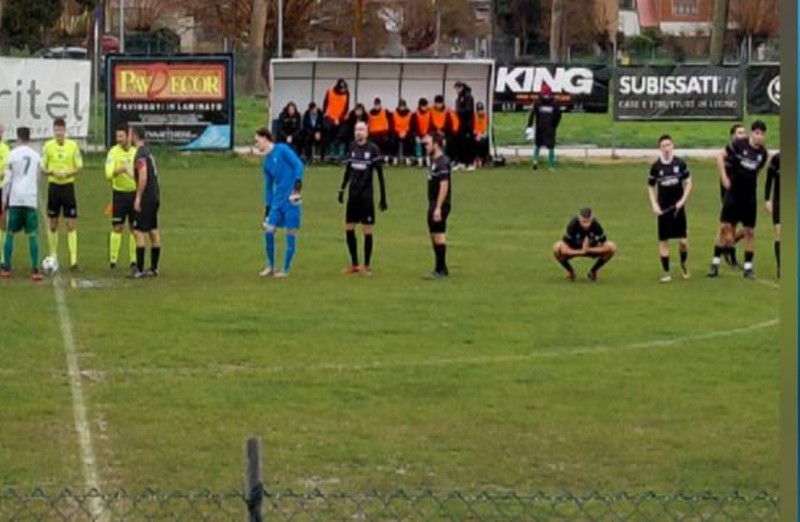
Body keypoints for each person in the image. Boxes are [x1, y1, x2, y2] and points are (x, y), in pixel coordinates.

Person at [707, 120, 769, 279]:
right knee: (724, 227)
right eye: (757, 133)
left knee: (749, 231)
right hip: (734, 193)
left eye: (762, 134)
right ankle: (715, 264)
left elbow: (757, 171)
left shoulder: (763, 154)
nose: (759, 137)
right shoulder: (739, 144)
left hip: (749, 196)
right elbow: (720, 156)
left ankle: (748, 267)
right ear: (752, 133)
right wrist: (724, 177)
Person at [338, 122, 388, 275]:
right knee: (349, 228)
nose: (358, 132)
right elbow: (348, 170)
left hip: (366, 197)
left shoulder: (373, 149)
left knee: (367, 230)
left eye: (361, 129)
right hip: (353, 196)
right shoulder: (352, 147)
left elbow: (380, 174)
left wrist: (383, 197)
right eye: (356, 129)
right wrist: (342, 189)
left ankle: (366, 265)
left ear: (367, 132)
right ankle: (354, 264)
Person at [254, 128, 304, 278]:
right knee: (269, 231)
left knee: (290, 233)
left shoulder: (282, 149)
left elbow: (298, 165)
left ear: (265, 138)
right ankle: (271, 266)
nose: (256, 144)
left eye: (257, 140)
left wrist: (297, 186)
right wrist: (267, 208)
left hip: (291, 199)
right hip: (277, 201)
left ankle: (285, 269)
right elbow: (268, 187)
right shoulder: (267, 163)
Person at [647, 134, 692, 283]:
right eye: (663, 146)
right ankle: (666, 272)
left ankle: (683, 263)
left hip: (678, 209)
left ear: (673, 146)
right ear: (659, 148)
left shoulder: (680, 163)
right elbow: (650, 186)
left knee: (683, 242)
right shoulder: (656, 167)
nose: (666, 148)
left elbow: (689, 183)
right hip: (663, 209)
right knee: (663, 240)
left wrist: (682, 201)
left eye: (668, 145)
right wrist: (654, 204)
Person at [1, 127, 43, 281]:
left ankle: (6, 268)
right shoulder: (36, 155)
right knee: (32, 234)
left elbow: (7, 180)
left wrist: (4, 199)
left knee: (10, 233)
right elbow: (39, 176)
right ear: (29, 138)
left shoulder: (12, 155)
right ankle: (35, 269)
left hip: (15, 198)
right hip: (30, 198)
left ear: (18, 138)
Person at [42, 117, 83, 270]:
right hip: (53, 187)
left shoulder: (73, 146)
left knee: (71, 223)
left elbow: (79, 166)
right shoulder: (48, 146)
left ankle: (73, 260)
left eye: (61, 130)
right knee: (53, 223)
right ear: (54, 131)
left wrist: (67, 173)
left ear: (65, 130)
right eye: (56, 130)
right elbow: (42, 167)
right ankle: (53, 256)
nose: (59, 133)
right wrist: (51, 171)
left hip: (67, 187)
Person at [128, 126, 162, 279]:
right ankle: (154, 268)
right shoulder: (148, 152)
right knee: (153, 230)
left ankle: (140, 270)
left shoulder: (140, 154)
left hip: (146, 197)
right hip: (154, 196)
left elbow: (143, 176)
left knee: (138, 231)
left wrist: (138, 197)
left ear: (134, 136)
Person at [105, 126, 138, 272]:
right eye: (117, 137)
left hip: (134, 194)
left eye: (121, 136)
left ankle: (134, 261)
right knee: (117, 227)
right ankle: (113, 261)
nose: (118, 140)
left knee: (134, 228)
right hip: (119, 194)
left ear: (128, 136)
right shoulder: (113, 152)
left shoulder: (136, 152)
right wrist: (121, 169)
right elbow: (108, 174)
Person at [552, 207, 616, 281]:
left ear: (592, 218)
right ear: (579, 218)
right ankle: (571, 272)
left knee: (612, 247)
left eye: (588, 221)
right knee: (556, 248)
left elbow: (606, 246)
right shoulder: (573, 224)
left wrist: (589, 250)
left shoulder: (596, 224)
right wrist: (582, 251)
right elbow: (564, 250)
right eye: (584, 222)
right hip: (575, 249)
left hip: (591, 249)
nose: (586, 225)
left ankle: (593, 271)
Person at [716, 123, 747, 268]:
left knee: (746, 230)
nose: (743, 135)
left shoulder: (746, 151)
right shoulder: (729, 151)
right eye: (739, 133)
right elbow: (719, 158)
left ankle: (725, 248)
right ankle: (732, 259)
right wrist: (724, 178)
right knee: (729, 226)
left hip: (743, 192)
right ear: (732, 135)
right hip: (729, 192)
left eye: (744, 133)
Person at [422, 132, 452, 279]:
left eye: (427, 144)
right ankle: (440, 267)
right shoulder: (432, 160)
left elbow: (444, 185)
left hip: (440, 204)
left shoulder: (442, 162)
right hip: (433, 202)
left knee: (439, 234)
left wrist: (438, 207)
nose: (425, 147)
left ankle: (441, 269)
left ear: (436, 144)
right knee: (433, 235)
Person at [527, 83, 562, 171]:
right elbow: (558, 116)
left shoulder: (541, 103)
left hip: (544, 128)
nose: (546, 96)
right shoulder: (549, 103)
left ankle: (541, 164)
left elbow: (558, 116)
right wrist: (554, 125)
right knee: (544, 146)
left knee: (544, 146)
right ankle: (545, 165)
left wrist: (529, 126)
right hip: (545, 128)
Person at [322, 78, 350, 160]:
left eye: (344, 88)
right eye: (342, 88)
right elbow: (325, 104)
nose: (343, 90)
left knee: (342, 134)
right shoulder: (330, 91)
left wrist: (339, 119)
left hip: (341, 119)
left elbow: (346, 108)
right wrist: (327, 116)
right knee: (328, 135)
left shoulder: (347, 93)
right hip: (330, 118)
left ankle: (340, 154)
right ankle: (329, 154)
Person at [764, 152, 780, 278]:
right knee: (779, 233)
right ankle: (781, 267)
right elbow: (769, 180)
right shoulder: (776, 159)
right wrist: (767, 200)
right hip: (779, 201)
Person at [454, 81, 475, 170]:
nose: (456, 90)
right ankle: (462, 162)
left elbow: (468, 110)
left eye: (458, 88)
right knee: (460, 143)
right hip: (461, 124)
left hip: (468, 124)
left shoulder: (468, 96)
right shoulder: (459, 97)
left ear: (461, 87)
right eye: (456, 88)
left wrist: (458, 111)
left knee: (468, 143)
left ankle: (470, 163)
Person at [391, 99, 414, 166]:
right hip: (397, 132)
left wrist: (405, 132)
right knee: (392, 139)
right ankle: (395, 157)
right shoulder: (394, 114)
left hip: (407, 132)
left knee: (410, 140)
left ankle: (407, 157)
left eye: (403, 106)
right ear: (398, 106)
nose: (402, 108)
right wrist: (398, 133)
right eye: (401, 106)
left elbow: (412, 126)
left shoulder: (410, 114)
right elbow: (392, 126)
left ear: (406, 106)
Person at [411, 98, 432, 167]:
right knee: (418, 143)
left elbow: (431, 126)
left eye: (425, 105)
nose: (424, 107)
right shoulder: (415, 114)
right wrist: (417, 136)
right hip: (418, 135)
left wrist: (428, 134)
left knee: (429, 142)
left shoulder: (430, 114)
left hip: (427, 134)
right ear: (419, 106)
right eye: (423, 106)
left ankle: (428, 160)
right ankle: (420, 161)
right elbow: (413, 127)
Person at [0, 124, 9, 268]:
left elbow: (7, 169)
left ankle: (2, 257)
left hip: (2, 188)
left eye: (0, 132)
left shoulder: (5, 149)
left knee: (3, 222)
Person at [472, 102, 489, 168]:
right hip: (476, 135)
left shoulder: (485, 117)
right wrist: (476, 134)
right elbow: (474, 128)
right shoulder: (474, 117)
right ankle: (476, 159)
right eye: (479, 109)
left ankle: (481, 159)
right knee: (475, 142)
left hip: (483, 135)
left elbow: (485, 128)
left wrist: (480, 134)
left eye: (481, 109)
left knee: (483, 142)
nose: (480, 111)